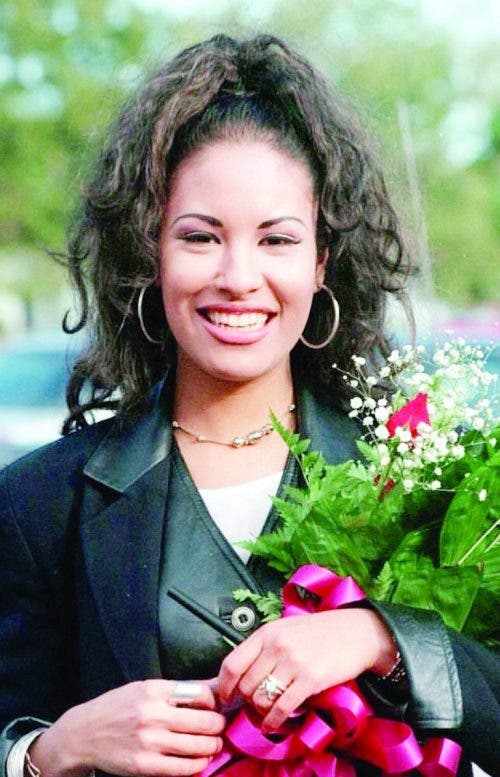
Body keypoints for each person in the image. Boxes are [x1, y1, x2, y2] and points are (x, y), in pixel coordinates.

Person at [0, 33, 498, 777]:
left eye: (277, 240)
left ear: (321, 262)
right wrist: (51, 749)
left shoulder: (428, 478)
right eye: (200, 237)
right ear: (150, 254)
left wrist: (384, 640)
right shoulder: (40, 505)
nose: (238, 276)